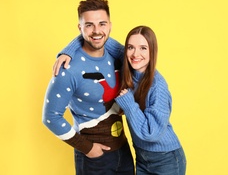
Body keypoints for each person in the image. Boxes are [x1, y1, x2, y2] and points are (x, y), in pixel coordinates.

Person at [54, 25, 187, 175]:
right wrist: (68, 52)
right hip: (142, 157)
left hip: (166, 160)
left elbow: (151, 133)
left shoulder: (158, 87)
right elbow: (97, 37)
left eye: (143, 48)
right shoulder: (128, 65)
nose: (136, 54)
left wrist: (128, 103)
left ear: (152, 51)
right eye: (130, 47)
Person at [42, 0, 135, 175]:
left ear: (110, 25)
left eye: (102, 23)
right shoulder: (68, 69)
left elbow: (138, 63)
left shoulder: (116, 55)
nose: (97, 31)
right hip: (94, 158)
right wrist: (87, 148)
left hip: (123, 149)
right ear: (80, 28)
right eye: (89, 25)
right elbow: (50, 117)